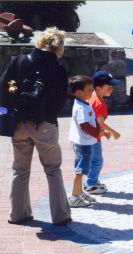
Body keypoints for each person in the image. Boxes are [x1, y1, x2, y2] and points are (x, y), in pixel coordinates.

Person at [0, 27, 71, 225]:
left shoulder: (18, 61)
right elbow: (61, 99)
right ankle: (60, 215)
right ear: (58, 47)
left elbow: (5, 88)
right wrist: (47, 114)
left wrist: (13, 107)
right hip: (45, 124)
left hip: (19, 123)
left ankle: (18, 213)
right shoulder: (58, 68)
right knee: (52, 169)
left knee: (20, 170)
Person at [68, 75, 108, 207]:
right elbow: (84, 125)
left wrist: (98, 131)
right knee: (80, 170)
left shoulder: (84, 103)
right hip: (83, 143)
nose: (92, 92)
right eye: (89, 89)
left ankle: (79, 192)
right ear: (79, 92)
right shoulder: (81, 107)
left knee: (83, 169)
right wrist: (97, 132)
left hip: (86, 142)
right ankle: (74, 196)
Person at [85, 71, 121, 194]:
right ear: (99, 88)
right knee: (97, 161)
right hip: (93, 137)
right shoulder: (99, 103)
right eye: (109, 86)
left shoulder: (92, 97)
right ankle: (90, 184)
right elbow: (100, 122)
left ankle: (92, 180)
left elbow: (94, 120)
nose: (112, 88)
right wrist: (113, 132)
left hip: (90, 135)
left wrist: (103, 131)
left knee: (92, 160)